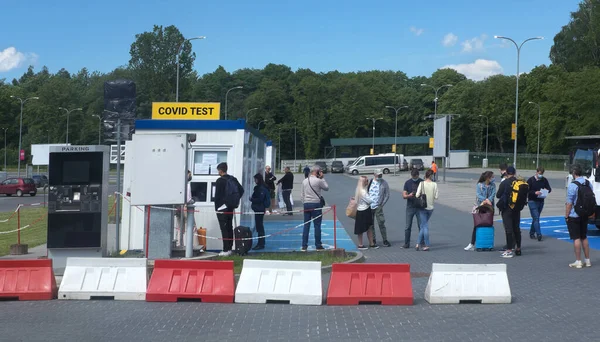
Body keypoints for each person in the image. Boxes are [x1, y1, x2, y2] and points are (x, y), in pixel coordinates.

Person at [214, 162, 244, 257]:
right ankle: (230, 248)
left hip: (222, 208)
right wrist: (233, 201)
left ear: (220, 170)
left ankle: (225, 249)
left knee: (224, 229)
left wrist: (217, 206)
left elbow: (217, 196)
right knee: (229, 227)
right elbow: (241, 190)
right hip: (230, 207)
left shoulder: (219, 181)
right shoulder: (233, 179)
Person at [566, 164, 592, 268]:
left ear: (574, 173)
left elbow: (569, 203)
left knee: (576, 238)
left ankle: (578, 261)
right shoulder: (587, 183)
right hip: (585, 213)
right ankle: (588, 260)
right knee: (584, 237)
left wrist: (566, 215)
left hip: (575, 214)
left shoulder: (573, 185)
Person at [464, 171, 496, 251]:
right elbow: (478, 194)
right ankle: (472, 243)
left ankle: (487, 244)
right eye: (492, 177)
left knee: (488, 224)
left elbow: (493, 194)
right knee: (477, 224)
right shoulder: (479, 185)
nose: (493, 178)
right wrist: (485, 200)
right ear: (487, 178)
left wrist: (489, 200)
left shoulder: (493, 185)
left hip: (489, 207)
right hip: (480, 207)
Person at [300, 165, 329, 251]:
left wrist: (305, 202)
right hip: (316, 204)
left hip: (306, 204)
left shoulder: (304, 181)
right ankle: (318, 245)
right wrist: (322, 178)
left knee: (306, 225)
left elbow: (302, 194)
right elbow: (326, 188)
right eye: (319, 171)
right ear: (316, 172)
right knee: (317, 225)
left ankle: (304, 245)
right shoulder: (318, 181)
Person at [496, 166, 522, 258]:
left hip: (507, 208)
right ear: (514, 173)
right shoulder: (520, 182)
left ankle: (509, 249)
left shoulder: (505, 182)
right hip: (517, 208)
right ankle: (518, 248)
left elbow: (498, 195)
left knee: (508, 229)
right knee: (517, 229)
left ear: (506, 173)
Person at [415, 169, 438, 251]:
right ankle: (419, 243)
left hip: (422, 207)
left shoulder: (421, 184)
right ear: (432, 176)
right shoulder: (434, 184)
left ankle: (424, 244)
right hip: (430, 208)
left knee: (424, 226)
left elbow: (417, 195)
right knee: (423, 225)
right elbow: (436, 196)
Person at [527, 166, 551, 241]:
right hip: (532, 201)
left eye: (542, 174)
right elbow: (527, 191)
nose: (540, 175)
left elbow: (549, 189)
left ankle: (531, 232)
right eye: (539, 173)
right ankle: (539, 234)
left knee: (535, 218)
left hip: (541, 201)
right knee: (536, 217)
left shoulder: (544, 180)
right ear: (537, 172)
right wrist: (534, 192)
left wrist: (547, 190)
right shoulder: (531, 180)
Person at [368, 169, 391, 247]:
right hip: (369, 206)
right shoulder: (370, 182)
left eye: (381, 175)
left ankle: (385, 239)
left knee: (381, 222)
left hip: (378, 206)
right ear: (374, 174)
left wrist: (382, 204)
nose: (380, 176)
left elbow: (387, 194)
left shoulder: (384, 183)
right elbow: (365, 192)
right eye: (378, 175)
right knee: (371, 224)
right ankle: (373, 239)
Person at [354, 176, 377, 250]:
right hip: (365, 210)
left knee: (362, 228)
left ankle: (368, 243)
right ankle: (365, 244)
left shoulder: (358, 190)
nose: (367, 182)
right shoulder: (363, 192)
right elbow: (369, 201)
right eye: (366, 181)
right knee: (368, 227)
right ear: (363, 182)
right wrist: (372, 198)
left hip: (359, 210)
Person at [402, 169, 423, 249]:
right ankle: (406, 244)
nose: (414, 178)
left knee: (421, 226)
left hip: (420, 207)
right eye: (413, 177)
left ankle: (422, 243)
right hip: (410, 207)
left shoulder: (422, 182)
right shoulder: (407, 183)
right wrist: (409, 195)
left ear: (418, 175)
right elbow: (404, 196)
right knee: (408, 226)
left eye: (416, 177)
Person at [250, 173, 270, 250]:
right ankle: (261, 242)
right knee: (259, 226)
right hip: (259, 208)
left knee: (259, 226)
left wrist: (252, 199)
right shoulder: (261, 187)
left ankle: (261, 243)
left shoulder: (261, 188)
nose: (255, 181)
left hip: (259, 209)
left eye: (255, 179)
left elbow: (260, 199)